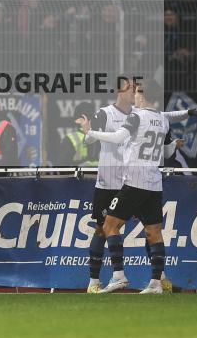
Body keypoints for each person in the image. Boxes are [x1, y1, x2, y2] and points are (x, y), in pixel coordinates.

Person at [76, 88, 184, 294]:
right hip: (154, 182)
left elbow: (118, 138)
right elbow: (166, 149)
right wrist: (188, 114)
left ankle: (118, 276)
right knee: (154, 232)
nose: (134, 95)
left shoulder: (136, 116)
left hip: (134, 181)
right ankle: (155, 283)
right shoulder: (162, 120)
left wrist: (89, 132)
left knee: (109, 226)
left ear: (142, 96)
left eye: (137, 92)